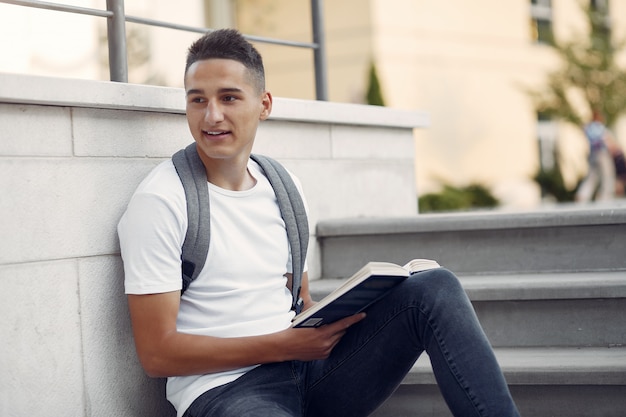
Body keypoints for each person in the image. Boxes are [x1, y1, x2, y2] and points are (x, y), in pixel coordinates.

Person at [118, 28, 521, 417]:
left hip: (310, 371)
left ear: (264, 104)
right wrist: (285, 345)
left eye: (229, 97)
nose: (213, 115)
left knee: (434, 287)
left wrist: (338, 316)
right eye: (198, 100)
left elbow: (299, 299)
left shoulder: (282, 187)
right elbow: (158, 354)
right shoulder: (162, 201)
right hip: (225, 390)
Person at [576, 110, 617, 202]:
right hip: (602, 153)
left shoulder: (588, 128)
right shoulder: (599, 127)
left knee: (592, 176)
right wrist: (613, 148)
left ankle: (582, 194)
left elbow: (583, 130)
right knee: (607, 175)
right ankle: (606, 195)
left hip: (592, 154)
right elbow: (605, 139)